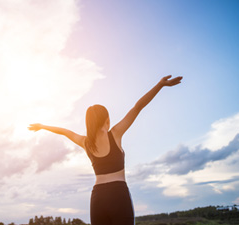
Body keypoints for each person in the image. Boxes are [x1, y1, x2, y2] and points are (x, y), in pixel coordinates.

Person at [28, 75, 183, 225]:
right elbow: (138, 107)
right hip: (118, 195)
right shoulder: (115, 134)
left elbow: (64, 131)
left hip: (98, 198)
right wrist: (160, 85)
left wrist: (42, 126)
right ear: (106, 120)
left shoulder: (85, 142)